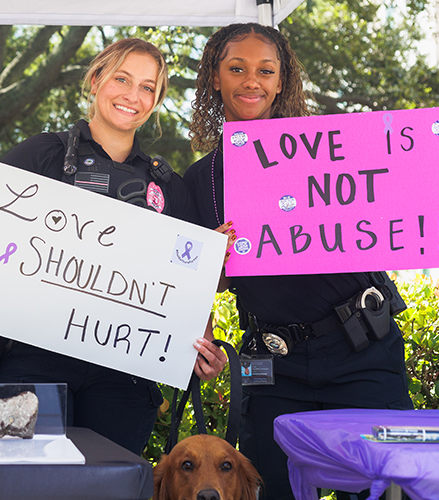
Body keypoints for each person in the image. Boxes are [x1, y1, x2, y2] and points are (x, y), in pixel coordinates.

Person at [0, 38, 229, 454]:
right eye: (122, 78)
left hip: (124, 375)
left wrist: (202, 344)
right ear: (97, 79)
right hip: (31, 361)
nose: (132, 96)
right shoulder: (40, 156)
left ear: (156, 101)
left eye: (147, 88)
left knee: (107, 486)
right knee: (17, 482)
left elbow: (189, 289)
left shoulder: (168, 187)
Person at [183, 23, 413, 500]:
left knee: (386, 490)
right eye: (237, 69)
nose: (252, 81)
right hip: (272, 369)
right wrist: (213, 268)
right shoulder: (200, 179)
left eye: (266, 70)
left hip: (362, 355)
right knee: (271, 489)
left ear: (282, 80)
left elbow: (399, 206)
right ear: (215, 78)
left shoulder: (335, 149)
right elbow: (200, 280)